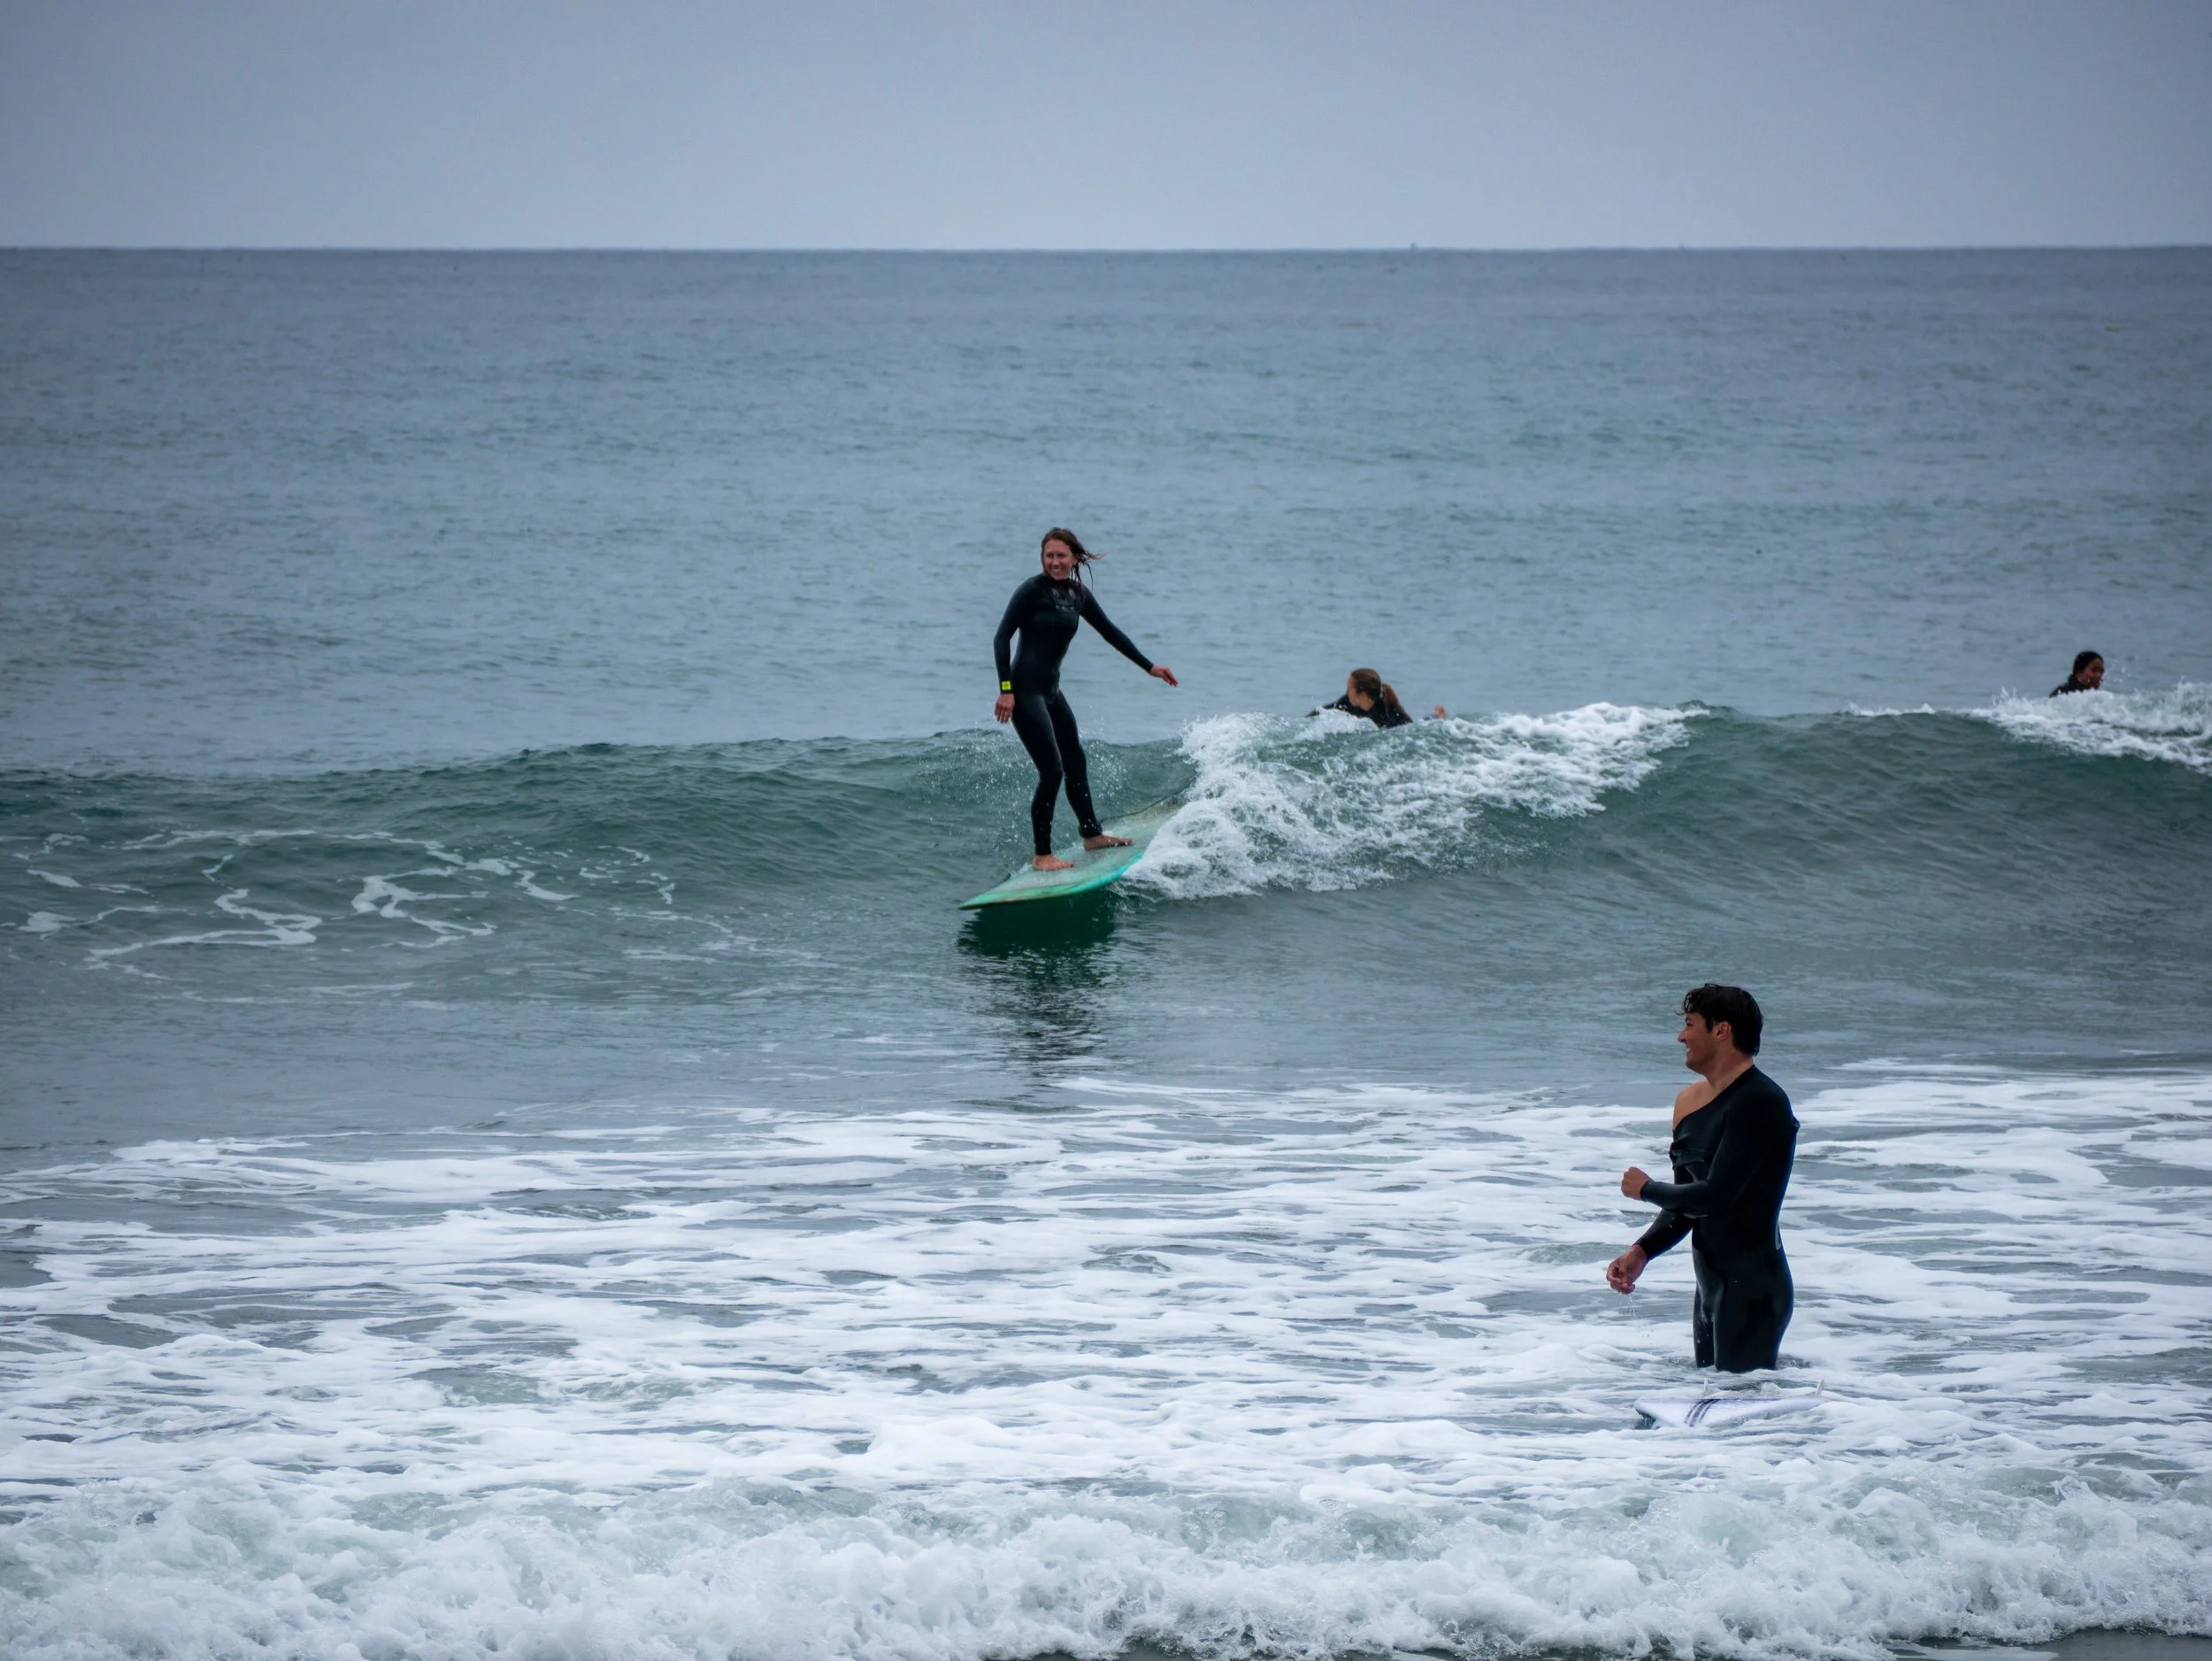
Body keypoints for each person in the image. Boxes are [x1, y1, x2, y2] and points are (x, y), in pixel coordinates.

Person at [1606, 984, 1798, 1373]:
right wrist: (1642, 1251)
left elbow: (1717, 1196)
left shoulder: (1760, 1101)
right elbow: (1687, 1203)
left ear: (1721, 1031)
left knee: (1740, 1413)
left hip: (1754, 1288)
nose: (1681, 1036)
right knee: (1714, 1410)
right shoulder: (1689, 1102)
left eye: (1690, 1025)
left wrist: (1645, 1190)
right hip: (1711, 1287)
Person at [993, 528, 1178, 872]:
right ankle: (1042, 855)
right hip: (1024, 692)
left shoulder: (1078, 595)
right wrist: (1006, 689)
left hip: (1051, 692)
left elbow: (1110, 632)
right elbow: (1002, 636)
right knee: (1051, 772)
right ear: (1042, 558)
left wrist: (1150, 667)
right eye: (1049, 555)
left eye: (1061, 556)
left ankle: (1091, 835)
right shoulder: (1031, 591)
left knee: (1076, 762)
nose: (1055, 562)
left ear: (1075, 558)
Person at [1314, 668, 1446, 728]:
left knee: (1421, 723)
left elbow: (1410, 731)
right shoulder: (1347, 702)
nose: (1346, 692)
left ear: (1362, 695)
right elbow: (1324, 711)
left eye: (1349, 689)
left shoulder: (1389, 716)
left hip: (1407, 728)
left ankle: (1437, 716)